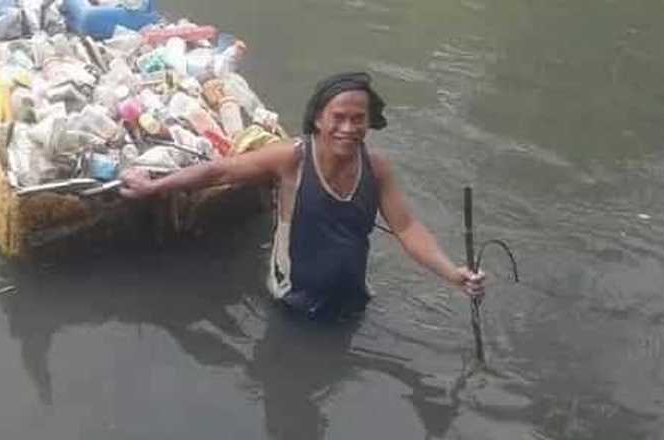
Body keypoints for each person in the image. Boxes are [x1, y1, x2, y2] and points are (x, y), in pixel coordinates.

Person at [120, 71, 485, 320]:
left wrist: (452, 274)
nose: (348, 128)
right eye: (338, 117)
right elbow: (219, 171)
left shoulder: (377, 169)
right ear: (318, 120)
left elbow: (407, 229)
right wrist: (153, 187)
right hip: (292, 302)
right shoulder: (292, 158)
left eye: (358, 119)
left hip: (354, 298)